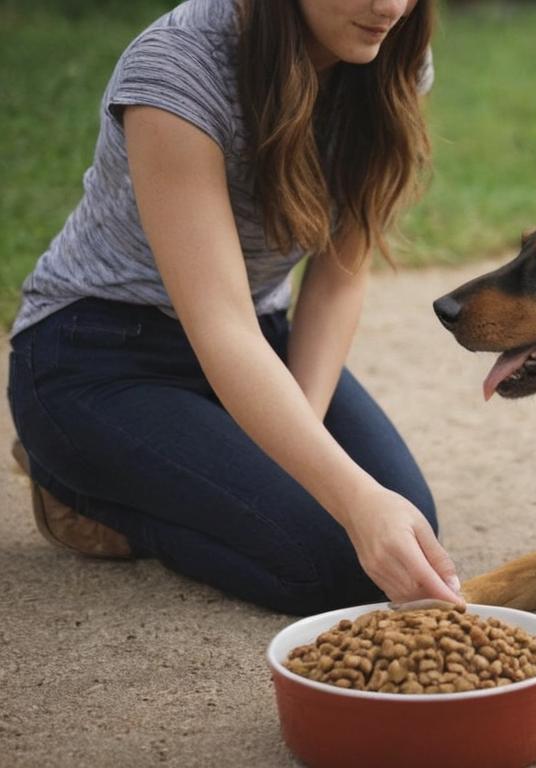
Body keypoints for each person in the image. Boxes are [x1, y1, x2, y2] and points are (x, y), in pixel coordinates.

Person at [6, 0, 463, 614]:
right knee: (330, 563)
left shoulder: (389, 49)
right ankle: (72, 479)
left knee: (404, 526)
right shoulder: (177, 70)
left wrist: (308, 453)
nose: (390, 6)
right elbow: (217, 323)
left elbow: (337, 280)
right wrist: (344, 497)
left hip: (256, 334)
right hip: (99, 355)